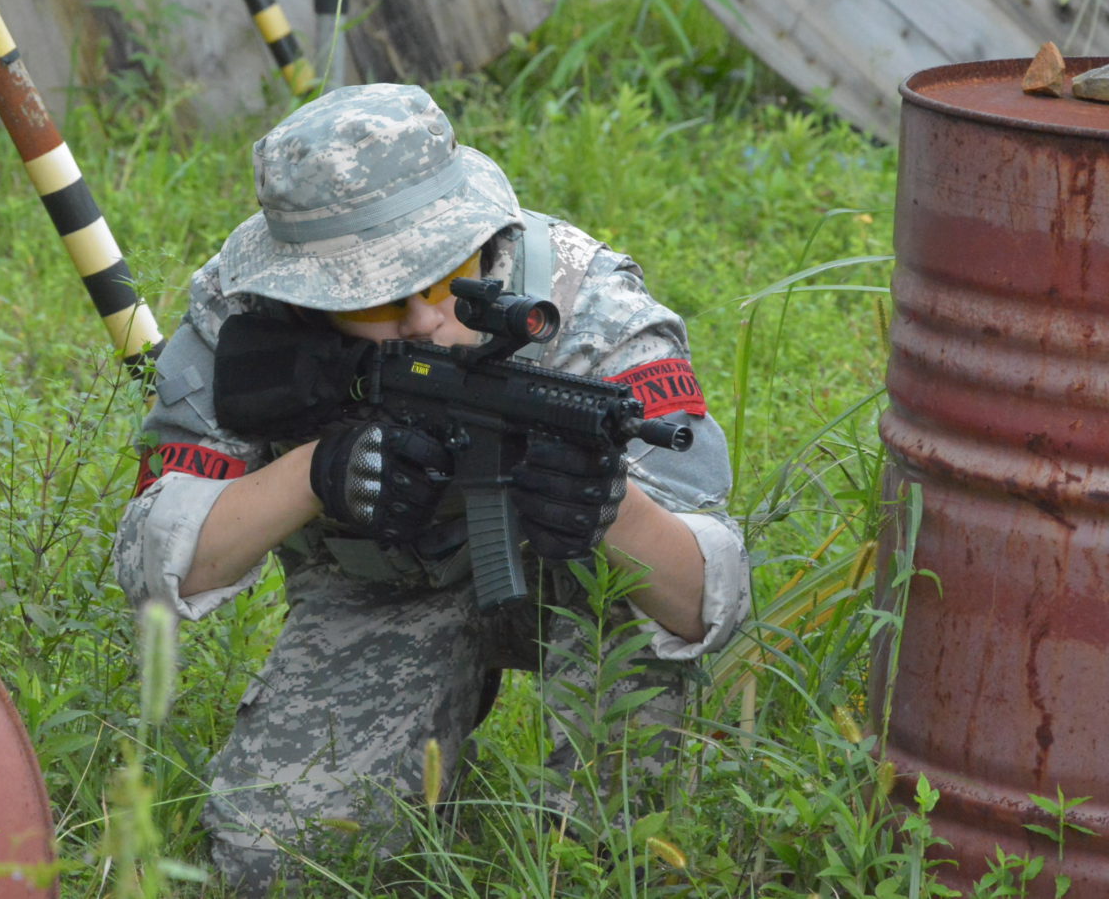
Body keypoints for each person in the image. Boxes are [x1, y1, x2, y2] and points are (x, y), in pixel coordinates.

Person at [114, 83, 749, 895]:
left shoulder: (592, 310)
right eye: (374, 296)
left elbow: (706, 603)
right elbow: (154, 566)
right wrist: (318, 472)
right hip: (386, 588)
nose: (421, 320)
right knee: (285, 862)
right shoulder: (248, 312)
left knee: (615, 868)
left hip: (573, 594)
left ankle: (597, 834)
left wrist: (610, 510)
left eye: (447, 275)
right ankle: (426, 755)